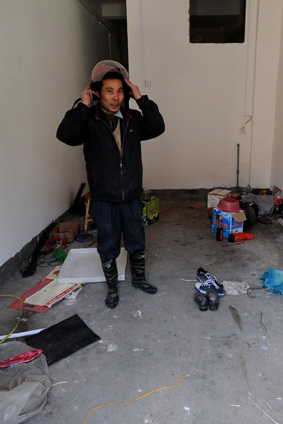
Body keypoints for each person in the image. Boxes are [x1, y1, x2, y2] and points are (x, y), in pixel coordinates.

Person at [56, 60, 165, 309]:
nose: (115, 97)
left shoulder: (133, 119)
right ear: (97, 92)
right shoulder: (88, 122)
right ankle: (112, 289)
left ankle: (139, 279)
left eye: (120, 91)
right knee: (108, 245)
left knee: (136, 240)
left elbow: (158, 126)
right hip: (104, 197)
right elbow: (65, 135)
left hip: (132, 195)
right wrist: (83, 105)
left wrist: (140, 97)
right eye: (109, 91)